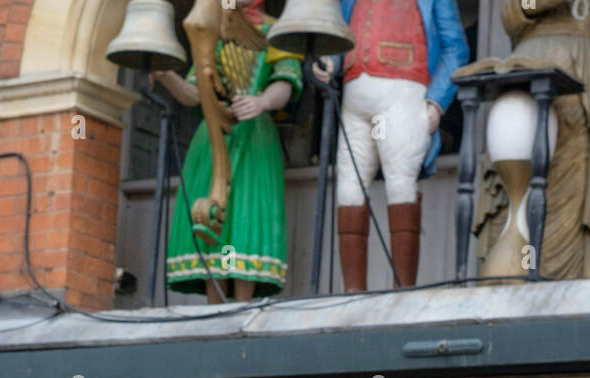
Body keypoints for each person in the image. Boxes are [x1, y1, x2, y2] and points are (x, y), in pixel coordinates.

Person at [314, 0, 470, 290]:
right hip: (356, 105)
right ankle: (353, 291)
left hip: (402, 98)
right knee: (349, 189)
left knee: (400, 184)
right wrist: (331, 63)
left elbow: (456, 49)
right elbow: (342, 37)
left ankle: (403, 289)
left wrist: (436, 101)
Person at [157, 2, 302, 303]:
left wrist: (261, 101)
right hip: (213, 137)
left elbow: (285, 82)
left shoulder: (275, 29)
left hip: (254, 137)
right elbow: (195, 93)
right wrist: (164, 74)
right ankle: (215, 303)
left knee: (244, 215)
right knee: (215, 216)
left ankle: (242, 303)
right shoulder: (215, 28)